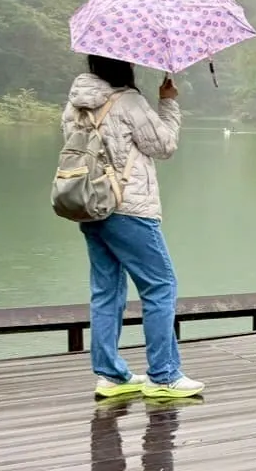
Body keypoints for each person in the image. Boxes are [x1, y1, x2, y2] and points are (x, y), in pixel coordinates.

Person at [63, 55, 203, 400]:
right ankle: (163, 375)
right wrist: (168, 103)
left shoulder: (75, 104)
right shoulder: (129, 101)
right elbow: (164, 145)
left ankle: (111, 376)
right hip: (130, 208)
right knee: (160, 286)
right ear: (125, 65)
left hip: (90, 205)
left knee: (106, 290)